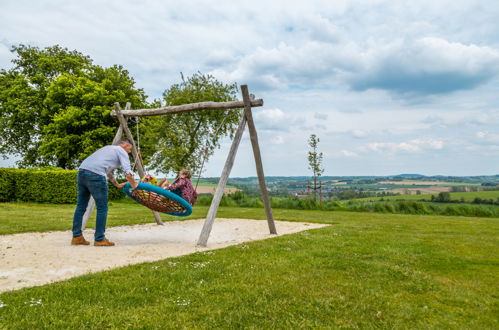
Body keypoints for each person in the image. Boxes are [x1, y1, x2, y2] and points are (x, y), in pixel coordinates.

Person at [71, 138, 138, 247]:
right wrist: (135, 185)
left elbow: (107, 171)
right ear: (125, 145)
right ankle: (100, 239)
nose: (129, 152)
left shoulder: (107, 149)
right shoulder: (121, 151)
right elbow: (128, 174)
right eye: (130, 149)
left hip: (82, 173)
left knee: (81, 206)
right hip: (96, 176)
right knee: (102, 207)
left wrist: (116, 183)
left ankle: (77, 237)